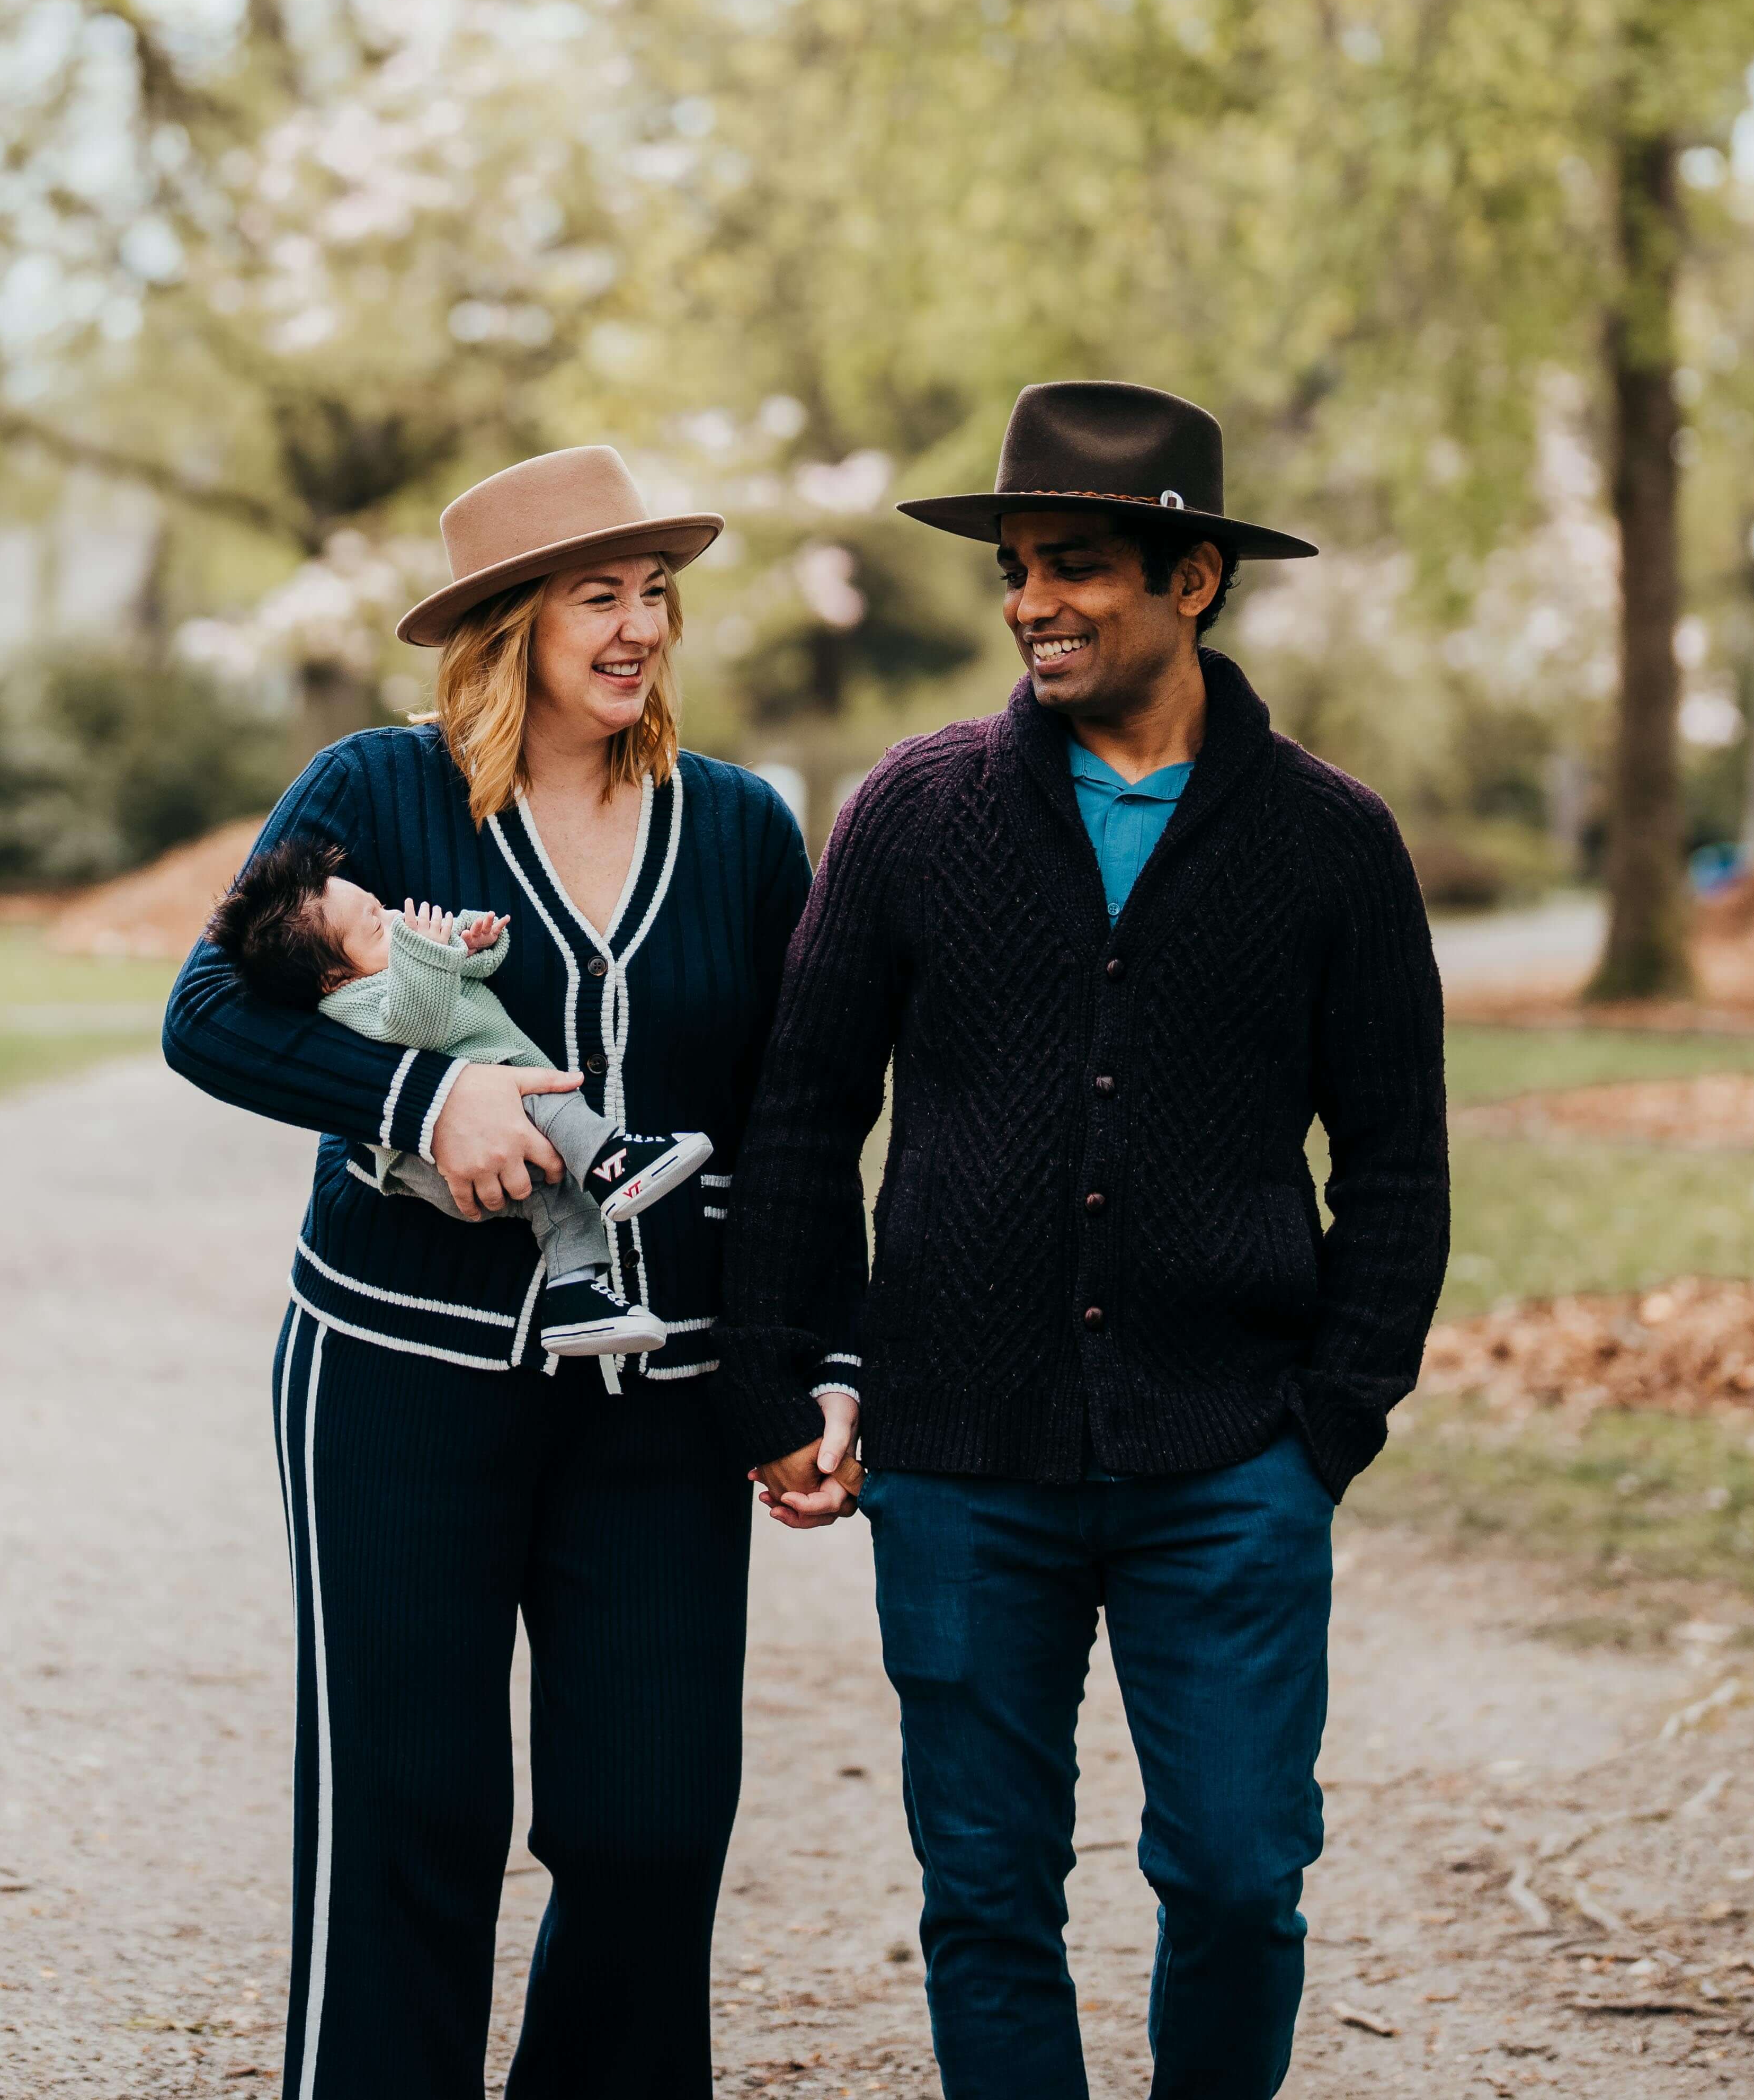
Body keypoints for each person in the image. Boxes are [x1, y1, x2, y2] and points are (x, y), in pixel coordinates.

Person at [718, 378, 1452, 2100]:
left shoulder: (1332, 844)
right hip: (963, 1459)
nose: (1031, 599)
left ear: (1191, 579)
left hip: (1233, 1459)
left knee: (1238, 1880)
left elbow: (1400, 1166)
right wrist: (778, 1378)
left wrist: (1328, 1420)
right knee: (985, 1899)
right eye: (1015, 566)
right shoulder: (913, 813)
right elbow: (806, 1117)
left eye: (1078, 564)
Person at [164, 442, 815, 2100]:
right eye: (596, 594)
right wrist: (417, 1091)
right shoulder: (373, 794)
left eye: (654, 593)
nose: (636, 627)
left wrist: (804, 1359)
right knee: (413, 1809)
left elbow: (791, 1120)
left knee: (651, 1820)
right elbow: (210, 1010)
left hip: (656, 1394)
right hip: (395, 1380)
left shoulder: (736, 828)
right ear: (508, 622)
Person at [197, 840, 717, 1355]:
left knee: (563, 1205)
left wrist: (471, 940)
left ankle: (574, 1299)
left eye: (382, 904)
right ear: (334, 978)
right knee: (550, 1101)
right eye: (378, 923)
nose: (398, 917)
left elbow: (461, 973)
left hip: (493, 1137)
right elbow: (415, 1022)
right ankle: (613, 1162)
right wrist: (425, 953)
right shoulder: (353, 1002)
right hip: (444, 1157)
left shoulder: (391, 966)